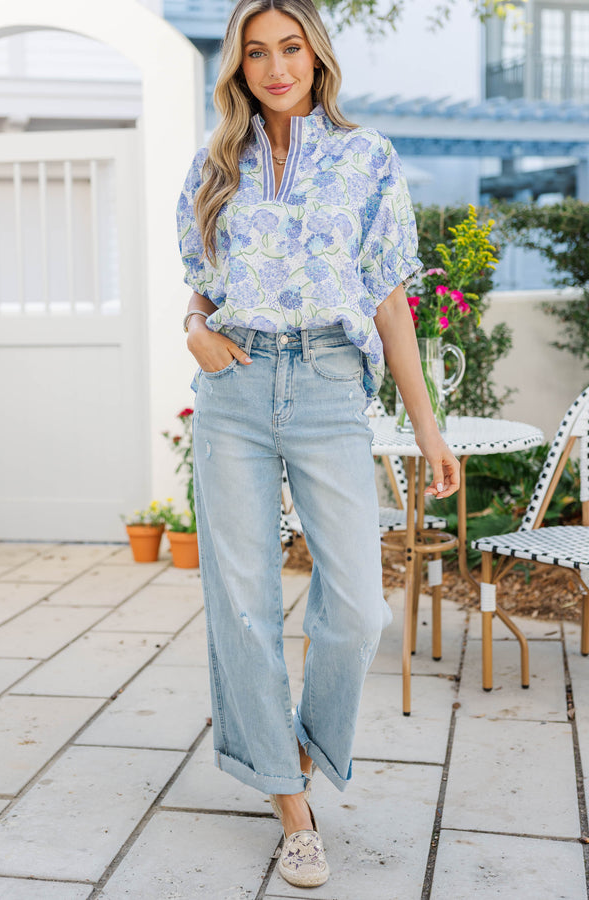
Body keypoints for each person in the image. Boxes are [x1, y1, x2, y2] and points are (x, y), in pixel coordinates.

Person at [176, 0, 460, 888]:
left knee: (359, 606)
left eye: (289, 47)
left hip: (333, 384)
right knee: (244, 602)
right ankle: (291, 811)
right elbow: (200, 286)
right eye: (255, 52)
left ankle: (296, 748)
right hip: (235, 383)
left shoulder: (366, 158)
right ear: (238, 66)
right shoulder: (214, 165)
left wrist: (426, 426)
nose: (274, 66)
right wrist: (194, 329)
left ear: (315, 54)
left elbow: (387, 302)